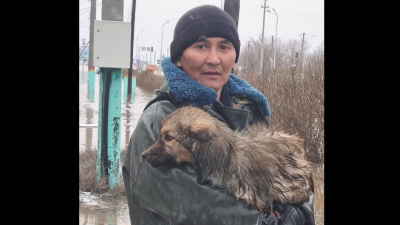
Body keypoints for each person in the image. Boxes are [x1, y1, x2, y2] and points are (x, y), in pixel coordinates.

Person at [122, 4, 315, 225]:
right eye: (201, 46)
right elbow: (195, 205)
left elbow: (295, 177)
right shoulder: (159, 123)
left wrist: (302, 209)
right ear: (177, 57)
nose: (214, 59)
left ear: (234, 57)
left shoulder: (250, 113)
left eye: (224, 47)